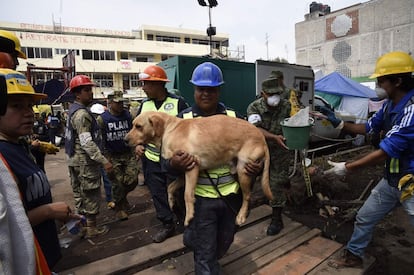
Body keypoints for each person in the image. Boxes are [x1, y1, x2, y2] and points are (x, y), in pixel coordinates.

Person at [320, 51, 414, 268]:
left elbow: (385, 151)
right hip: (392, 180)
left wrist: (347, 167)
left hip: (410, 183)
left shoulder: (411, 110)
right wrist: (339, 123)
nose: (378, 85)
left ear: (398, 81)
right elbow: (368, 128)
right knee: (365, 217)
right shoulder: (390, 105)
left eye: (381, 80)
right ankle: (354, 256)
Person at [167, 62, 262, 274]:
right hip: (201, 199)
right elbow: (167, 163)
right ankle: (204, 258)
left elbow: (250, 150)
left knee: (224, 242)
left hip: (231, 196)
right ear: (194, 90)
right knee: (205, 254)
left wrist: (255, 166)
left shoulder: (232, 118)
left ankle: (196, 243)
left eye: (211, 89)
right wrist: (174, 163)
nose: (206, 94)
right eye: (201, 89)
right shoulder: (183, 120)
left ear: (219, 90)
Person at [0, 68, 81, 272]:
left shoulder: (19, 145)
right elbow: (7, 227)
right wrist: (48, 211)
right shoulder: (2, 158)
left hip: (42, 257)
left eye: (30, 105)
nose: (28, 112)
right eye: (17, 106)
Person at [135, 65, 189, 243]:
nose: (143, 87)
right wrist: (138, 145)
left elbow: (188, 130)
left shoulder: (178, 103)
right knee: (158, 193)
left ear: (158, 84)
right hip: (151, 159)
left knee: (178, 191)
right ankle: (167, 224)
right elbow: (138, 131)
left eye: (146, 84)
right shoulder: (144, 105)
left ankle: (184, 220)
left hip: (173, 160)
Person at [65, 74, 112, 238]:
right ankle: (91, 228)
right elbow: (87, 143)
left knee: (80, 194)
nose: (90, 93)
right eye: (86, 90)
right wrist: (103, 160)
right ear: (77, 94)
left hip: (74, 160)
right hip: (84, 162)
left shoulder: (73, 111)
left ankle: (83, 226)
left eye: (90, 90)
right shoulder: (82, 114)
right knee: (90, 194)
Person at [246, 76, 291, 236]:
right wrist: (273, 137)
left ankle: (276, 218)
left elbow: (294, 122)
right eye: (270, 94)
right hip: (258, 151)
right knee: (248, 178)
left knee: (277, 184)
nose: (275, 97)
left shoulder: (286, 106)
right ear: (263, 94)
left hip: (280, 152)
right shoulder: (254, 107)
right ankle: (243, 207)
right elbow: (255, 130)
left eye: (277, 93)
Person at [97, 91, 139, 220]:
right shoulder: (102, 119)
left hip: (127, 153)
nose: (121, 104)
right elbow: (100, 140)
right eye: (117, 102)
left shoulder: (128, 115)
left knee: (133, 180)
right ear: (109, 103)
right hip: (112, 155)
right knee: (117, 183)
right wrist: (104, 159)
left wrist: (136, 147)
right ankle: (119, 208)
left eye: (122, 102)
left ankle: (122, 198)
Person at [90, 103, 115, 209]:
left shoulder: (105, 124)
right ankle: (93, 204)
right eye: (95, 115)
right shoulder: (88, 125)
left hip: (104, 154)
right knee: (92, 181)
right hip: (92, 156)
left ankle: (110, 199)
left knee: (108, 179)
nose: (97, 118)